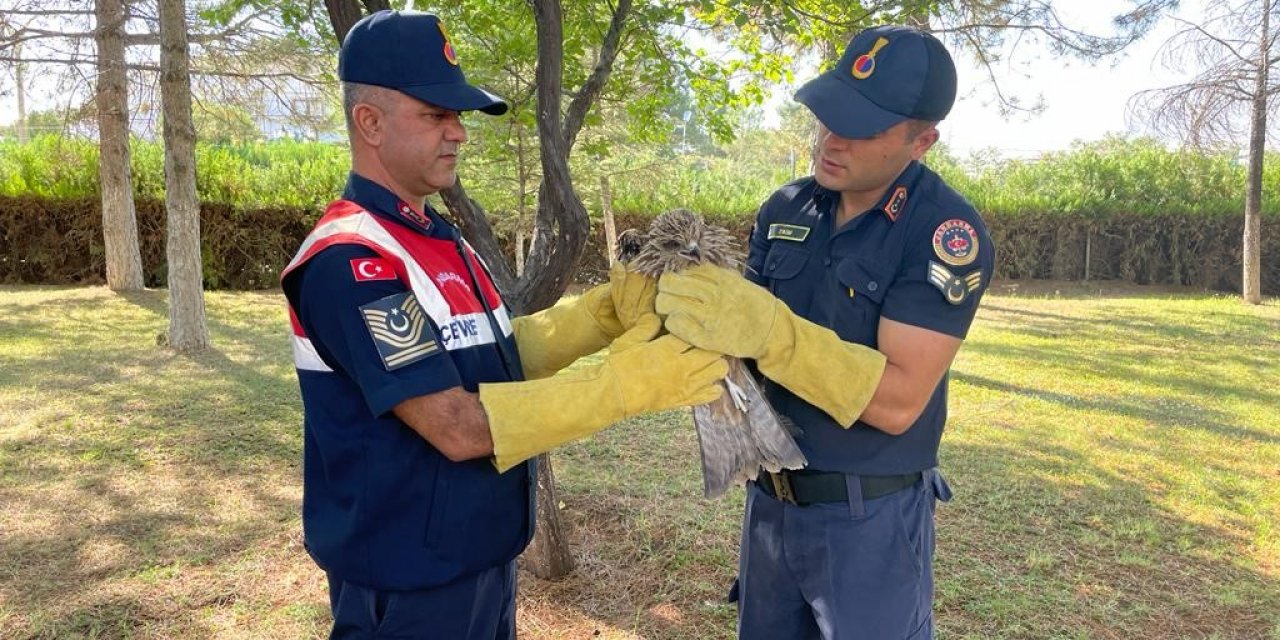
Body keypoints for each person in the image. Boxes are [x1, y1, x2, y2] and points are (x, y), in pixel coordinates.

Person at [280, 10, 726, 639]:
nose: (458, 133)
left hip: (479, 562)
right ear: (370, 121)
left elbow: (493, 356)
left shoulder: (438, 238)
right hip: (408, 586)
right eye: (436, 114)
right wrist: (624, 384)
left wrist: (597, 317)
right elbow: (457, 427)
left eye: (458, 116)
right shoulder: (354, 261)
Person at [656, 25, 994, 640]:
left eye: (861, 129)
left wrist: (768, 330)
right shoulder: (786, 208)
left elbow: (896, 402)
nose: (831, 140)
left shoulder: (942, 231)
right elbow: (738, 348)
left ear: (923, 141)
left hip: (870, 518)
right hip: (770, 504)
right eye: (828, 116)